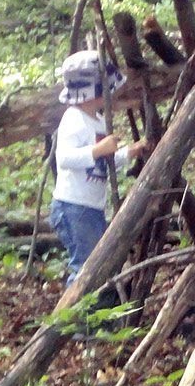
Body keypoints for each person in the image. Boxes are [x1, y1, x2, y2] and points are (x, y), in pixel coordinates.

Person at [50, 50, 149, 284]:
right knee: (85, 266)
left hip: (92, 207)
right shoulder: (73, 118)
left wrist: (129, 152)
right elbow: (64, 159)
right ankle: (74, 315)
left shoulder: (99, 121)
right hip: (74, 207)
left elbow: (106, 162)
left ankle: (93, 312)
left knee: (96, 262)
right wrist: (98, 150)